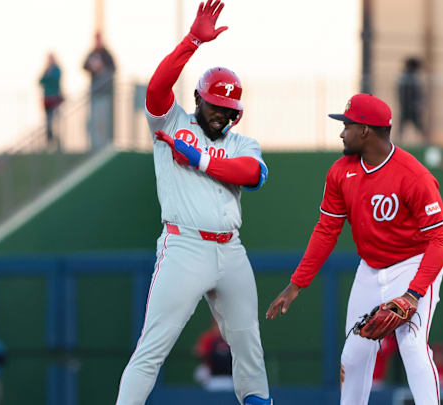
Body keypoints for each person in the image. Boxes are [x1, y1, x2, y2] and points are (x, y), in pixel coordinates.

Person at [115, 2, 272, 404]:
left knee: (248, 345)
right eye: (215, 105)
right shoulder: (173, 122)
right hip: (184, 245)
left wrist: (200, 158)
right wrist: (192, 42)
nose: (221, 114)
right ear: (199, 99)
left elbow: (253, 175)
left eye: (229, 109)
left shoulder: (242, 143)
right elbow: (155, 90)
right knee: (153, 348)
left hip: (230, 249)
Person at [266, 93, 443, 405]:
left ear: (365, 130)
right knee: (353, 354)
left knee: (411, 344)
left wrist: (413, 293)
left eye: (347, 125)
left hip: (413, 265)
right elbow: (327, 231)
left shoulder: (414, 175)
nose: (342, 132)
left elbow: (442, 240)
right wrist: (296, 284)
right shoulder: (341, 171)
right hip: (370, 269)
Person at [83, 31, 116, 150]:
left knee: (103, 122)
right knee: (93, 122)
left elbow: (113, 69)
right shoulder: (92, 53)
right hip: (94, 94)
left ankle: (104, 145)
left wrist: (102, 67)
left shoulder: (106, 54)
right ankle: (95, 146)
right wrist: (93, 67)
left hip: (105, 94)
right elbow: (83, 65)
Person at [194, 319, 235, 391]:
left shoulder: (232, 336)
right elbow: (199, 352)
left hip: (231, 377)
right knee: (201, 371)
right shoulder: (208, 336)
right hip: (212, 377)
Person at [397, 57, 425, 145]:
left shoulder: (407, 78)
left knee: (417, 126)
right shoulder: (408, 78)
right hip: (408, 106)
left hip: (409, 106)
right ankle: (397, 142)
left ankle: (425, 141)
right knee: (404, 127)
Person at [39, 53, 63, 149]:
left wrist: (48, 76)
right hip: (47, 101)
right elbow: (40, 81)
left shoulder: (57, 70)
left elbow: (54, 80)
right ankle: (49, 142)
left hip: (55, 100)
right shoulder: (46, 70)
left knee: (56, 122)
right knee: (48, 123)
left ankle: (58, 142)